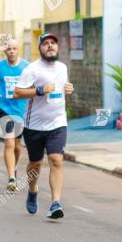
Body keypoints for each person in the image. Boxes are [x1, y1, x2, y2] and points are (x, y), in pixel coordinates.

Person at [14, 33, 73, 219]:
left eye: (53, 43)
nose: (50, 46)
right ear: (40, 48)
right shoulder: (32, 69)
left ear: (58, 47)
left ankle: (56, 203)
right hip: (34, 126)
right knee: (35, 164)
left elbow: (62, 92)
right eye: (46, 44)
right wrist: (39, 90)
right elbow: (17, 93)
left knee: (56, 160)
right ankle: (32, 190)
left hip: (57, 123)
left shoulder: (63, 68)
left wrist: (69, 90)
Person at [0, 38, 28, 192]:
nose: (12, 51)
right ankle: (11, 178)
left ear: (18, 50)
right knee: (9, 143)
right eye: (9, 49)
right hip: (3, 108)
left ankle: (14, 168)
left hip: (20, 111)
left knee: (17, 146)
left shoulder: (26, 67)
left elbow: (34, 84)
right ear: (5, 51)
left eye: (14, 49)